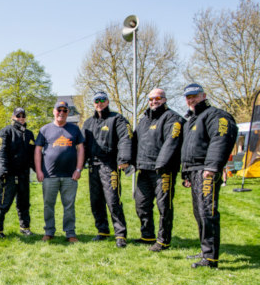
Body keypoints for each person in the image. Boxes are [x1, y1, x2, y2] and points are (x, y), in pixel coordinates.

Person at [181, 83, 237, 268]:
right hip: (195, 170)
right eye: (188, 97)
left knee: (207, 212)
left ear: (204, 95)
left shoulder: (216, 116)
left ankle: (211, 258)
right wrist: (187, 173)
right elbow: (188, 149)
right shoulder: (192, 119)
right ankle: (206, 251)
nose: (191, 99)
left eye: (195, 96)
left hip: (206, 171)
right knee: (199, 212)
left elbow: (220, 140)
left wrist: (212, 167)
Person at [132, 88, 184, 252]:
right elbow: (135, 141)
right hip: (143, 170)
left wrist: (161, 165)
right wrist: (129, 162)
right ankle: (147, 235)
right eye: (151, 99)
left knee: (164, 206)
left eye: (158, 98)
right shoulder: (144, 120)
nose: (154, 101)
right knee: (141, 204)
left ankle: (163, 240)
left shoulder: (173, 119)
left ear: (164, 99)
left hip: (163, 171)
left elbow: (172, 143)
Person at [82, 91, 133, 248]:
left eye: (102, 100)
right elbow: (82, 145)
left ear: (108, 101)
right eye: (96, 100)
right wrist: (78, 165)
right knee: (95, 201)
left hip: (110, 166)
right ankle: (102, 230)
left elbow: (126, 138)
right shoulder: (88, 123)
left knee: (112, 200)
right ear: (93, 103)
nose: (99, 103)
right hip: (93, 167)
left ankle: (120, 234)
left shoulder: (117, 119)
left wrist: (124, 160)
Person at [35, 100, 85, 242]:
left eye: (64, 110)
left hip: (70, 176)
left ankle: (70, 233)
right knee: (48, 205)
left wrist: (79, 169)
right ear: (53, 111)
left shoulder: (74, 129)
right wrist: (39, 170)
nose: (61, 113)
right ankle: (49, 231)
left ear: (68, 112)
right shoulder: (44, 129)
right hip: (49, 175)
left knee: (69, 205)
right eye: (59, 110)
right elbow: (37, 150)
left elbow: (81, 149)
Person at [0, 108, 36, 238]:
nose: (21, 118)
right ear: (13, 117)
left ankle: (25, 227)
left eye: (23, 116)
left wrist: (40, 170)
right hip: (8, 174)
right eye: (18, 115)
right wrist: (2, 171)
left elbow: (34, 155)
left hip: (24, 175)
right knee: (4, 203)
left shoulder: (29, 134)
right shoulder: (5, 132)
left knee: (24, 203)